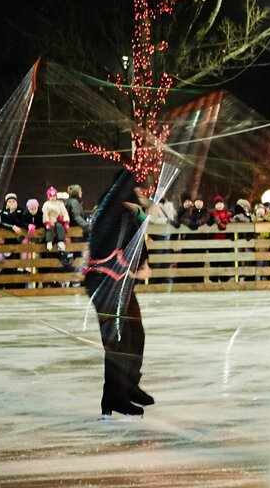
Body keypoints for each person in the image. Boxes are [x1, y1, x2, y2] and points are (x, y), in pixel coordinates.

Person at [83, 170, 155, 418]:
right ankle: (114, 398)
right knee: (117, 341)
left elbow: (137, 243)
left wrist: (144, 264)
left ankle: (129, 386)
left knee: (136, 336)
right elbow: (123, 185)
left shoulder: (129, 214)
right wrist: (136, 166)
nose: (140, 194)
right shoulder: (109, 209)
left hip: (122, 284)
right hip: (104, 285)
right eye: (136, 189)